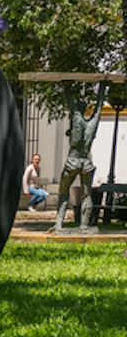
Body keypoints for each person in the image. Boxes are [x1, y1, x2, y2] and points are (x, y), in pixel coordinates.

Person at [54, 81, 108, 230]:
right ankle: (84, 225)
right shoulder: (91, 124)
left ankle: (59, 224)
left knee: (63, 193)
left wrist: (66, 88)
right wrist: (102, 89)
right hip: (86, 162)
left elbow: (71, 104)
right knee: (87, 194)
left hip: (72, 161)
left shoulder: (76, 118)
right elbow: (98, 109)